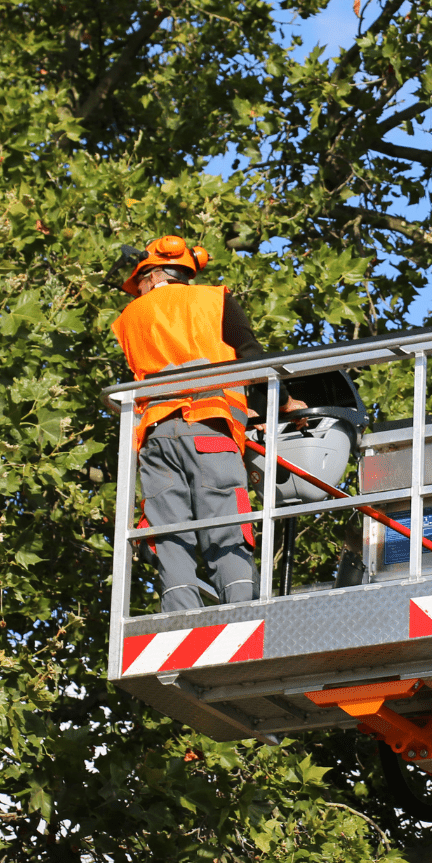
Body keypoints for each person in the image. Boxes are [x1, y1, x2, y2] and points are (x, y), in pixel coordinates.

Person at [110, 236, 303, 613]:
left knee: (168, 531)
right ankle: (243, 610)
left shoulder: (130, 317)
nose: (140, 289)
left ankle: (179, 614)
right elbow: (252, 358)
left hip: (155, 437)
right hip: (208, 428)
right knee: (225, 520)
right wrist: (280, 405)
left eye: (141, 281)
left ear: (153, 274)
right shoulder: (212, 300)